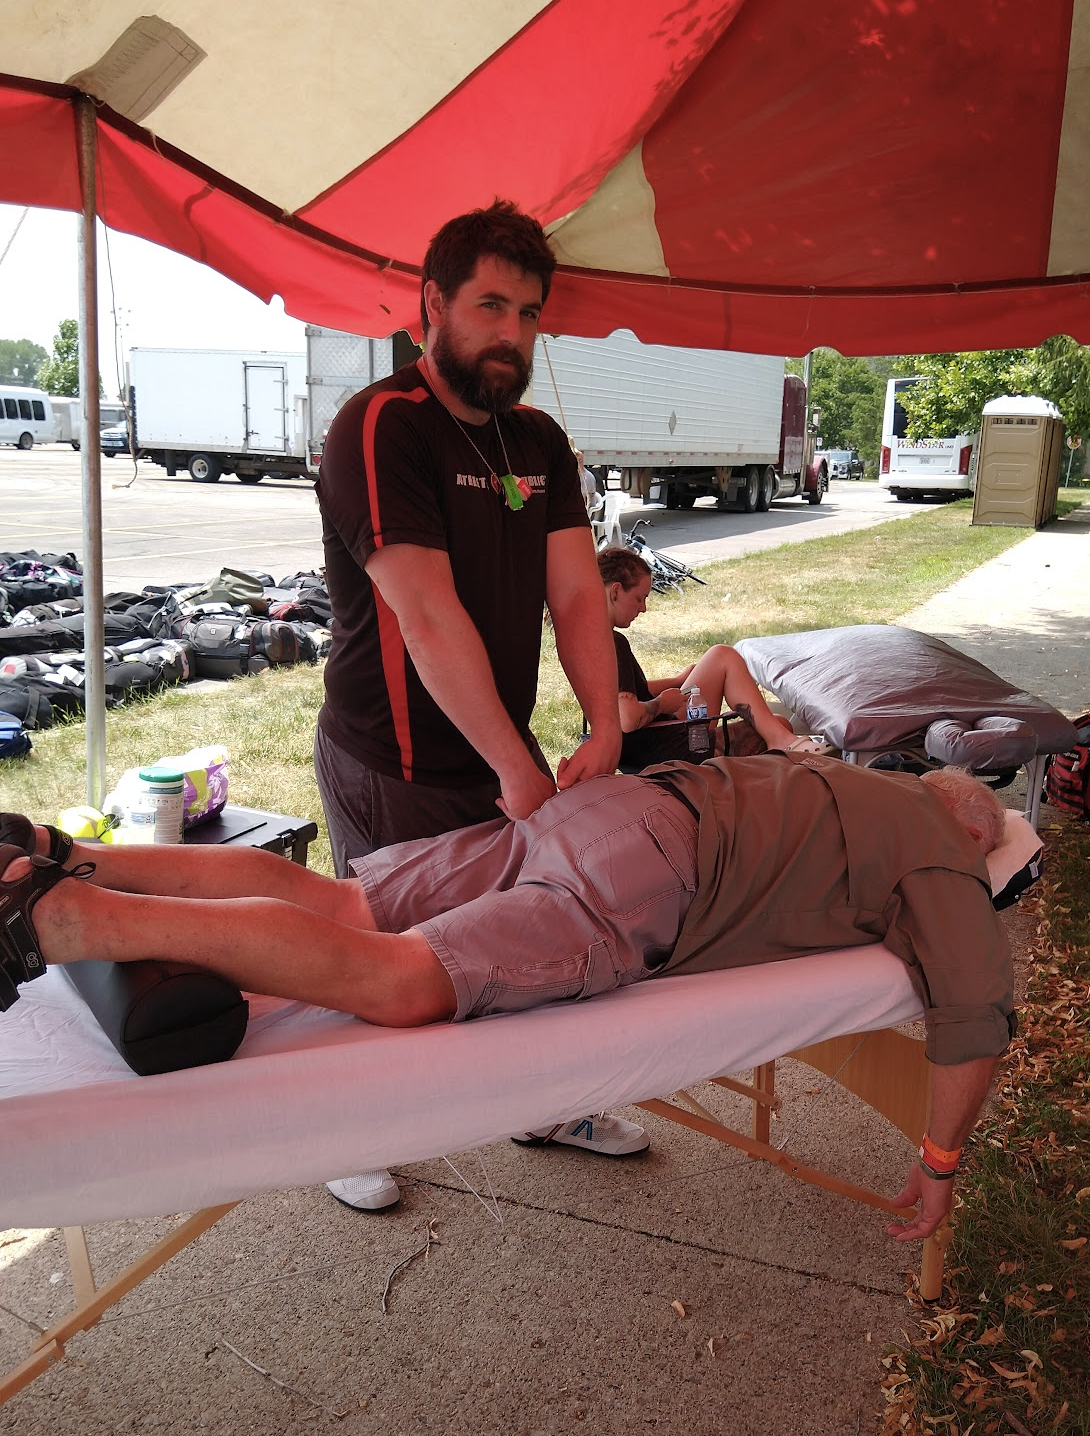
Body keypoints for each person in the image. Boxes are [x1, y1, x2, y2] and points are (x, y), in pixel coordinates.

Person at [1, 755, 1013, 1243]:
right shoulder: (943, 850)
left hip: (613, 806)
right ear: (971, 832)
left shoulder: (840, 775)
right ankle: (70, 923)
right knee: (401, 975)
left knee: (340, 899)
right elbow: (974, 1018)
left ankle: (57, 855)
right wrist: (940, 1161)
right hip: (654, 873)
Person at [312, 200, 634, 1208]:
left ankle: (542, 1103)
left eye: (529, 314)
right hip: (393, 758)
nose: (512, 334)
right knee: (384, 958)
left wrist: (605, 724)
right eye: (491, 305)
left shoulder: (538, 441)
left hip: (498, 750)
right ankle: (355, 1130)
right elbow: (426, 616)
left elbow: (576, 595)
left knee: (527, 940)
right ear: (433, 304)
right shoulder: (381, 426)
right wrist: (517, 770)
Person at [597, 547, 810, 767]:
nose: (643, 608)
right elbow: (627, 718)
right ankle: (778, 739)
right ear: (616, 592)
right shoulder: (613, 642)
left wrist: (677, 681)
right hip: (664, 751)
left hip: (641, 748)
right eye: (639, 598)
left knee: (721, 657)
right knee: (778, 722)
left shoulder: (591, 641)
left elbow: (619, 695)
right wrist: (661, 704)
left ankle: (778, 737)